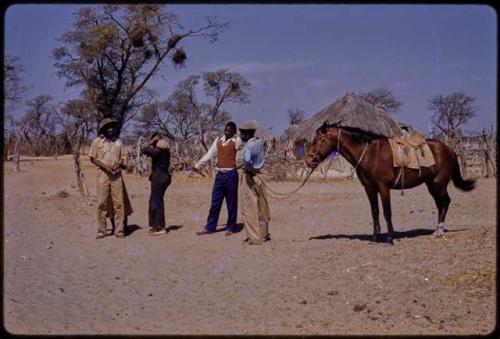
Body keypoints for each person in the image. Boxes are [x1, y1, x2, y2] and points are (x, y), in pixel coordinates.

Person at [193, 121, 242, 236]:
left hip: (231, 174)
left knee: (231, 202)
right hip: (219, 174)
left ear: (234, 131)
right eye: (226, 129)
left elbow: (242, 153)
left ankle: (231, 227)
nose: (227, 131)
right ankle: (210, 227)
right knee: (215, 202)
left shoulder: (236, 141)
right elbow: (210, 154)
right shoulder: (218, 140)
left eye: (230, 130)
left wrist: (239, 164)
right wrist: (198, 165)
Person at [89, 118, 131, 239]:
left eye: (112, 127)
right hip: (103, 176)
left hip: (117, 176)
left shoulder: (119, 142)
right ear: (104, 129)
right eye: (108, 127)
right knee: (102, 203)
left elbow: (123, 157)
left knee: (119, 203)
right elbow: (92, 158)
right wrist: (106, 167)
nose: (110, 129)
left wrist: (118, 165)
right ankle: (102, 230)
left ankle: (119, 230)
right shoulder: (97, 142)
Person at [238, 121, 271, 245]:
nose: (240, 136)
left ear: (246, 134)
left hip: (249, 176)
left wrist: (245, 165)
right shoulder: (259, 142)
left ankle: (254, 237)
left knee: (249, 208)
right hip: (260, 175)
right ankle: (263, 235)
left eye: (241, 133)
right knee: (262, 206)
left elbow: (247, 160)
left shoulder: (248, 146)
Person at [141, 133, 172, 236]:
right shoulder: (165, 151)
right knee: (154, 201)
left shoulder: (158, 151)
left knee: (157, 202)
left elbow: (143, 149)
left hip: (159, 179)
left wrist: (151, 141)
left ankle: (160, 227)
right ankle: (154, 225)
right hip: (163, 178)